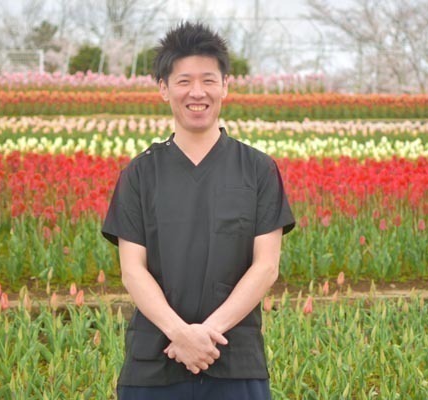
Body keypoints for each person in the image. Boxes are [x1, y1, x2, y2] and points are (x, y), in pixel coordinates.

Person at [101, 21, 295, 400]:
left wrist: (205, 335)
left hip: (234, 360)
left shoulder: (257, 169)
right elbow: (132, 270)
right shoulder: (139, 174)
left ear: (225, 85)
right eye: (184, 81)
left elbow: (266, 267)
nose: (197, 92)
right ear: (163, 88)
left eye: (208, 80)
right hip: (154, 362)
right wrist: (180, 334)